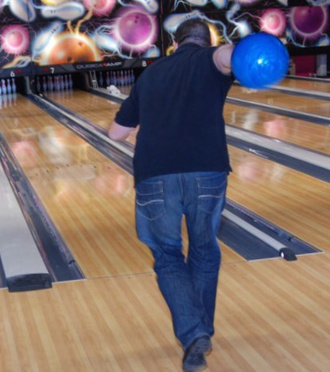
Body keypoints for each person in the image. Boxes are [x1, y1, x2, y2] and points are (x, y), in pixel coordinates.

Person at [108, 19, 234, 372]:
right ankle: (200, 332)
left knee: (166, 256)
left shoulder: (150, 74)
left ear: (173, 44)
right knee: (205, 249)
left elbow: (116, 133)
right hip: (207, 170)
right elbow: (226, 58)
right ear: (206, 42)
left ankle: (194, 334)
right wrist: (245, 53)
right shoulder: (213, 60)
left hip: (155, 173)